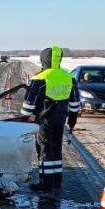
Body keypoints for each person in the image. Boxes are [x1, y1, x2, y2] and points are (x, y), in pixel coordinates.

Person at [22, 45, 75, 192]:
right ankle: (57, 181)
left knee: (45, 149)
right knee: (57, 148)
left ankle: (46, 184)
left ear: (44, 59)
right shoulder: (69, 77)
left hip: (45, 120)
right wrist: (72, 120)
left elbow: (27, 107)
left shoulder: (40, 78)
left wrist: (26, 118)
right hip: (61, 118)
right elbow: (75, 104)